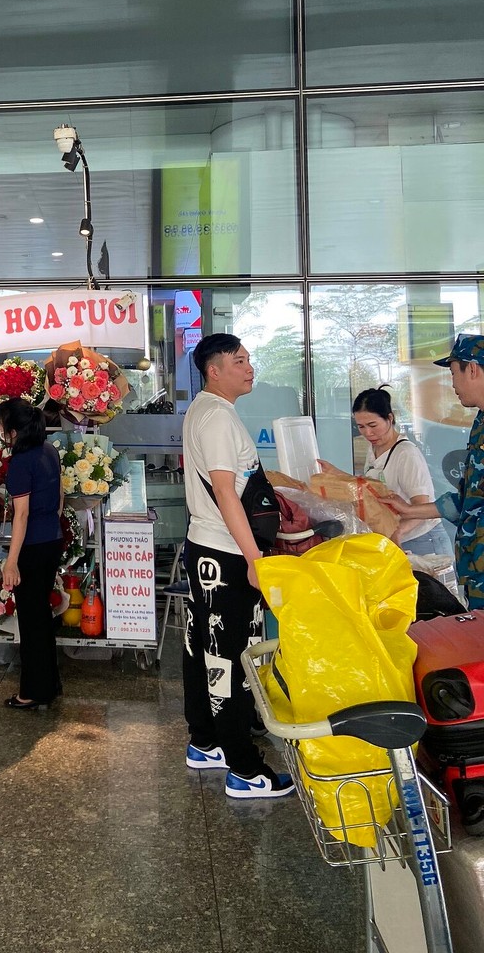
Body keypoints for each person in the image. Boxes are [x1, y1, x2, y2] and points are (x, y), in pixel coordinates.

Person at [181, 334, 294, 801]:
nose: (249, 368)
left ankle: (205, 742)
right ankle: (244, 769)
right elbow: (226, 491)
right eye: (239, 361)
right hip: (225, 553)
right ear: (214, 370)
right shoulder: (217, 417)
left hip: (206, 546)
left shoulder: (206, 410)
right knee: (228, 656)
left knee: (201, 647)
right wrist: (253, 558)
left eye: (249, 359)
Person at [392, 335, 484, 609]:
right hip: (475, 569)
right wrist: (409, 510)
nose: (452, 384)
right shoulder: (480, 422)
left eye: (454, 373)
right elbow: (469, 501)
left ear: (472, 369)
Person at [319, 385, 452, 557]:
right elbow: (370, 486)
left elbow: (421, 507)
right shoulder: (374, 448)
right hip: (394, 537)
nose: (368, 433)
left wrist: (398, 532)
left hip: (423, 539)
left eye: (373, 425)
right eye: (361, 426)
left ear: (390, 418)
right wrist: (337, 474)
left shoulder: (406, 453)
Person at [0, 398, 64, 710]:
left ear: (13, 431)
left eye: (1, 425)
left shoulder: (21, 461)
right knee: (41, 617)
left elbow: (21, 515)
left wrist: (11, 561)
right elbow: (60, 497)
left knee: (31, 620)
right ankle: (49, 684)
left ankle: (33, 691)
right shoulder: (49, 450)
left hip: (32, 547)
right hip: (51, 539)